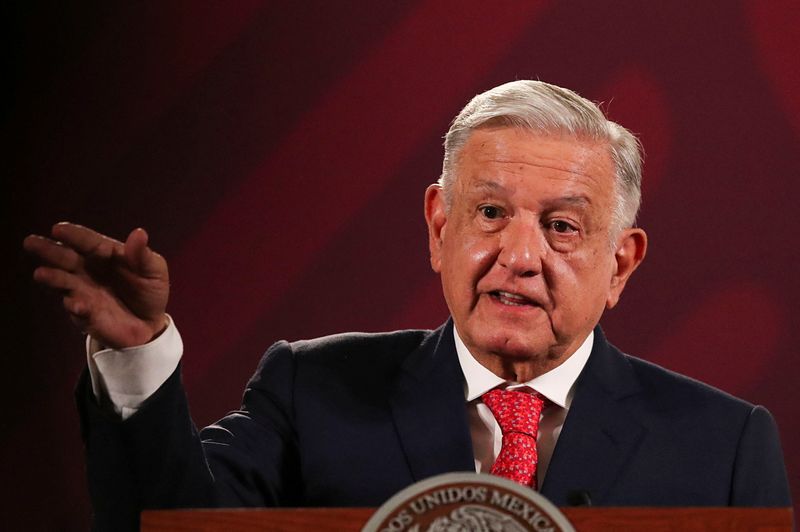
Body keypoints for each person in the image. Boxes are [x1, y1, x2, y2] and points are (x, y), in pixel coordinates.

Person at [25, 81, 790, 531]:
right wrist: (137, 352)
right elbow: (169, 526)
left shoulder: (723, 449)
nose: (518, 257)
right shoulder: (309, 391)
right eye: (489, 214)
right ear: (438, 227)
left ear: (621, 262)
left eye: (560, 227)